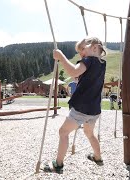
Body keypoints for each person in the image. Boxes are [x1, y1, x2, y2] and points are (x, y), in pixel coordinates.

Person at [44, 37, 106, 173]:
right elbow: (88, 79)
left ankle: (58, 164)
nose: (80, 53)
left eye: (82, 49)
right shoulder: (102, 64)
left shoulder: (88, 60)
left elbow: (73, 71)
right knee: (89, 133)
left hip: (81, 108)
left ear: (94, 47)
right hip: (94, 109)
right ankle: (98, 157)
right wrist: (79, 79)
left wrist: (61, 56)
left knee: (63, 132)